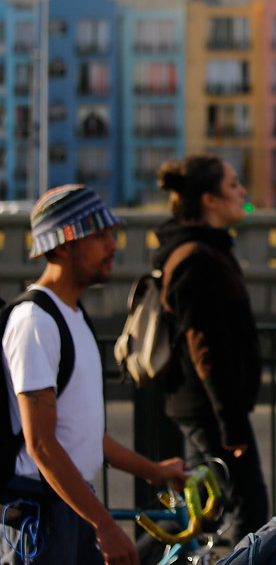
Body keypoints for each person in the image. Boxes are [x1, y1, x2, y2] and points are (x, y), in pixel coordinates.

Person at [0, 185, 188, 565]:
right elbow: (42, 445)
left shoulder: (71, 314)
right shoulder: (36, 321)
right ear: (63, 244)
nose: (113, 245)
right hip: (40, 517)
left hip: (70, 507)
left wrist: (151, 470)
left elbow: (81, 432)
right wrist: (105, 525)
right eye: (99, 235)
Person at [153, 156, 268, 545]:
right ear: (210, 200)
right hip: (209, 410)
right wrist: (231, 425)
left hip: (206, 408)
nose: (243, 193)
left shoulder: (206, 250)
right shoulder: (198, 259)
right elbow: (208, 351)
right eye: (234, 185)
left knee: (205, 512)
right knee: (246, 509)